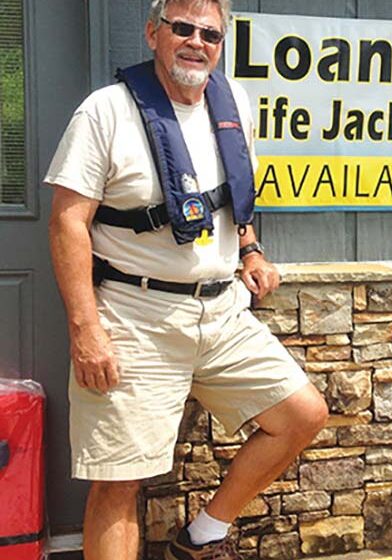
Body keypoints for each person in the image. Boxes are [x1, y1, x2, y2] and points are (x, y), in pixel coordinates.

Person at [45, 1, 329, 559]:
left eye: (210, 34)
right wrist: (86, 330)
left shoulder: (232, 102)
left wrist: (249, 249)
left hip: (222, 312)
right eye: (183, 28)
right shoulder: (106, 112)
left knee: (302, 415)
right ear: (154, 33)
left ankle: (202, 536)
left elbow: (231, 196)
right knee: (119, 482)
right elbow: (67, 221)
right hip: (135, 315)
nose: (197, 42)